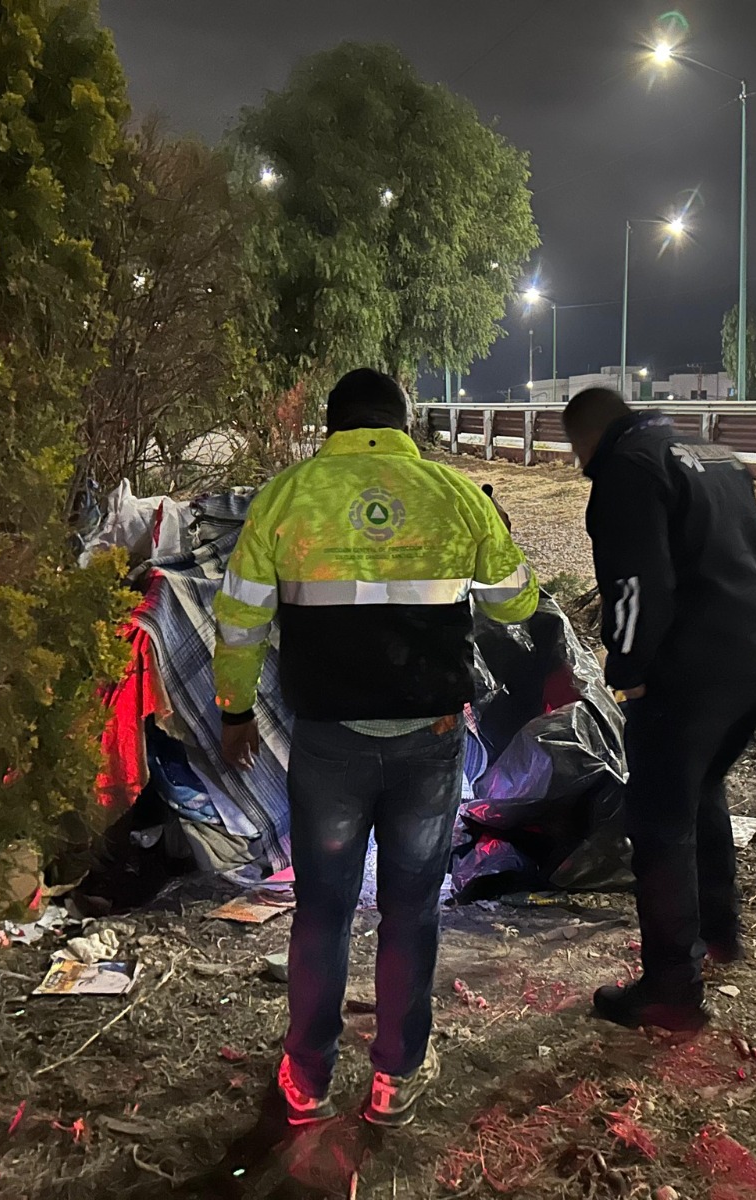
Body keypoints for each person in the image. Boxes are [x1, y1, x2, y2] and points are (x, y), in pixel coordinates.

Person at [213, 368, 539, 1126]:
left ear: (333, 426)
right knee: (411, 911)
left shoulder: (287, 498)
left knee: (322, 911)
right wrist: (494, 539)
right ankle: (395, 1076)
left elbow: (240, 620)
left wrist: (235, 713)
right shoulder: (456, 495)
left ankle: (307, 1079)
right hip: (430, 740)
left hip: (329, 742)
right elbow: (516, 602)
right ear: (403, 424)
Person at [562, 387, 756, 1032]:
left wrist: (628, 670)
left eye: (575, 447)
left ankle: (671, 989)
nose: (577, 461)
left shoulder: (629, 468)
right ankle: (718, 929)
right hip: (753, 658)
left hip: (688, 672)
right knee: (702, 790)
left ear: (587, 435)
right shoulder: (714, 455)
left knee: (658, 822)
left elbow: (635, 585)